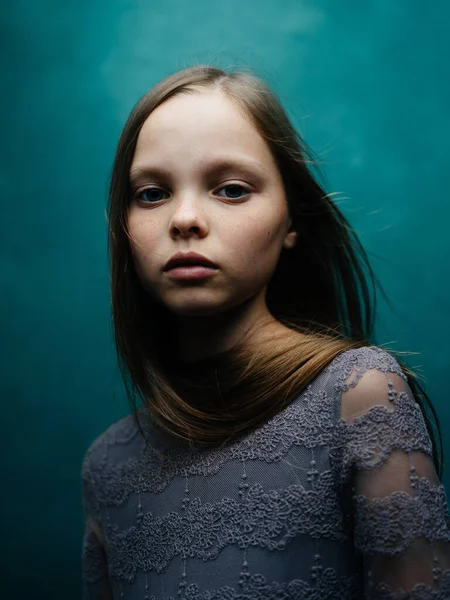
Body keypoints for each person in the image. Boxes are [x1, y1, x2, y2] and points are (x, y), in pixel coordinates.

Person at [81, 65, 450, 599]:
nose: (184, 218)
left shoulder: (360, 395)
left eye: (231, 190)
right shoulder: (107, 465)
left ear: (290, 221)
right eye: (152, 194)